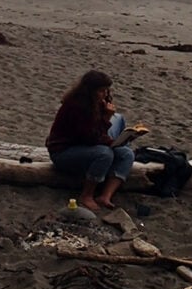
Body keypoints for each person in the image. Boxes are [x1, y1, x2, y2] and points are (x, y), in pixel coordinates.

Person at [45, 70, 135, 211]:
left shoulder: (98, 103)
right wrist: (106, 119)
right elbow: (90, 138)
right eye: (101, 91)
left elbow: (97, 135)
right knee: (105, 154)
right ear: (90, 91)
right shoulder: (76, 107)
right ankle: (87, 195)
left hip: (84, 146)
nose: (105, 94)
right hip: (63, 152)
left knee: (127, 153)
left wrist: (115, 141)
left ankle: (106, 195)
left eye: (107, 90)